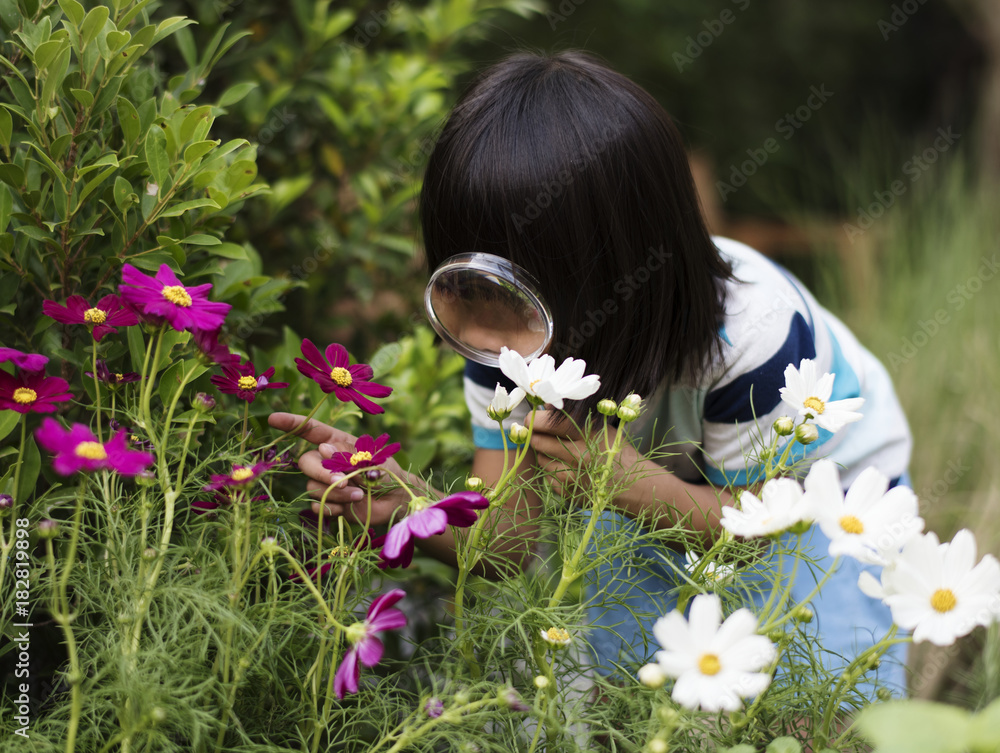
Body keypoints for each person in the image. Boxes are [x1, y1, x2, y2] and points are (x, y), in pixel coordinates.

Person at [269, 50, 912, 694]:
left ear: (623, 276)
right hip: (635, 478)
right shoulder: (498, 348)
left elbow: (754, 531)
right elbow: (509, 541)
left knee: (825, 685)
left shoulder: (757, 337)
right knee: (619, 677)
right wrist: (405, 505)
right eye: (463, 292)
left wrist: (622, 482)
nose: (487, 340)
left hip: (820, 493)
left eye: (510, 299)